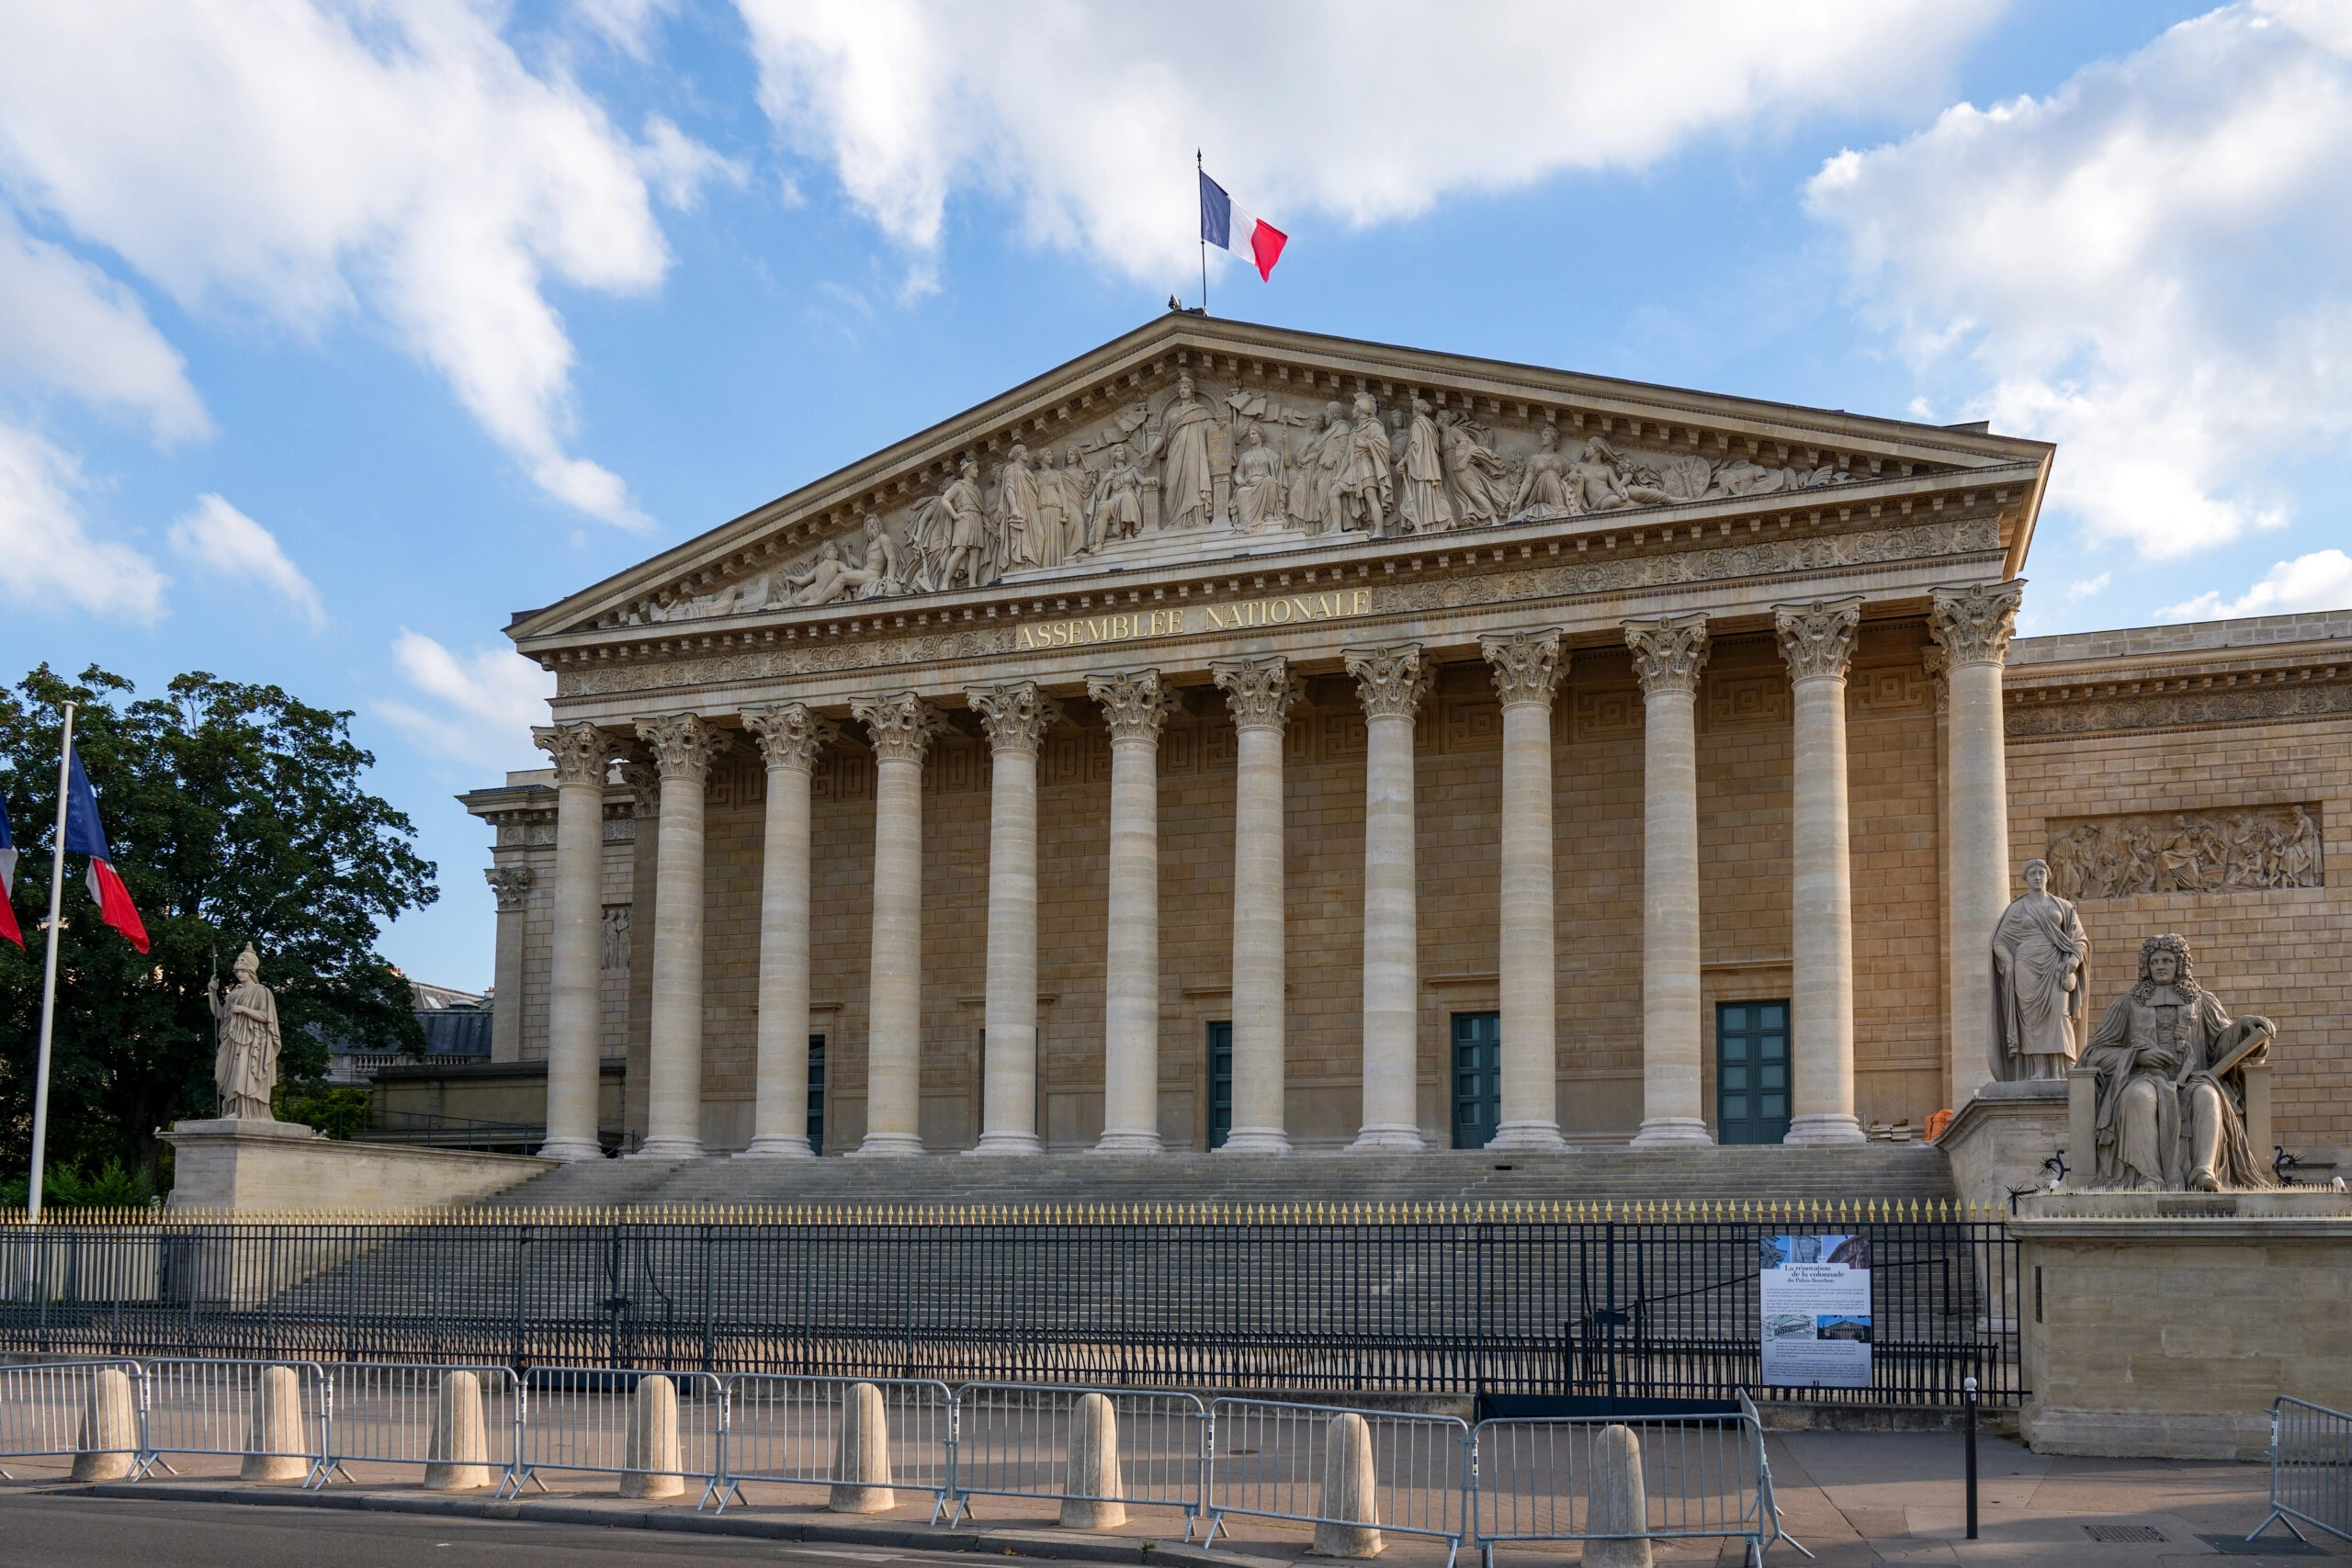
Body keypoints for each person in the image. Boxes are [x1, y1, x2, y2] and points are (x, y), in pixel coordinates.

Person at [2082, 933, 2276, 1191]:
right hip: (2144, 1078)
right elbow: (2094, 1053)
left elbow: (2221, 1042)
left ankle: (2204, 1171)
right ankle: (2149, 1176)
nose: (2160, 966)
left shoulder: (2202, 1002)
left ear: (2180, 965)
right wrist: (2136, 1056)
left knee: (2208, 1096)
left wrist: (2244, 1027)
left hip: (2193, 1079)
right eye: (2154, 962)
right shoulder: (2126, 1005)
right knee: (2138, 1097)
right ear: (2146, 967)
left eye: (2167, 961)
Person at [1989, 858, 2090, 1080]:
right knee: (2031, 1021)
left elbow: (2080, 939)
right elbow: (1999, 941)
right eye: (2032, 874)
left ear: (2048, 877)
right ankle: (2037, 1069)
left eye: (2041, 873)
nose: (2037, 877)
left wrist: (2074, 959)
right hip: (2026, 968)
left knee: (2060, 1014)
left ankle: (2064, 1067)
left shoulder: (2063, 906)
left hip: (2056, 966)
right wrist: (2009, 961)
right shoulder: (2016, 908)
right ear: (2025, 879)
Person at [209, 944, 282, 1121]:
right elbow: (220, 1014)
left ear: (251, 971)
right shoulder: (234, 993)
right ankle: (233, 1108)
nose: (239, 974)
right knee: (226, 1073)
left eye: (243, 971)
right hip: (232, 1038)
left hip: (251, 1040)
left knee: (244, 1073)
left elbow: (267, 1016)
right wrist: (212, 994)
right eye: (237, 971)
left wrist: (244, 1010)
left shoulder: (261, 991)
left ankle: (244, 1110)